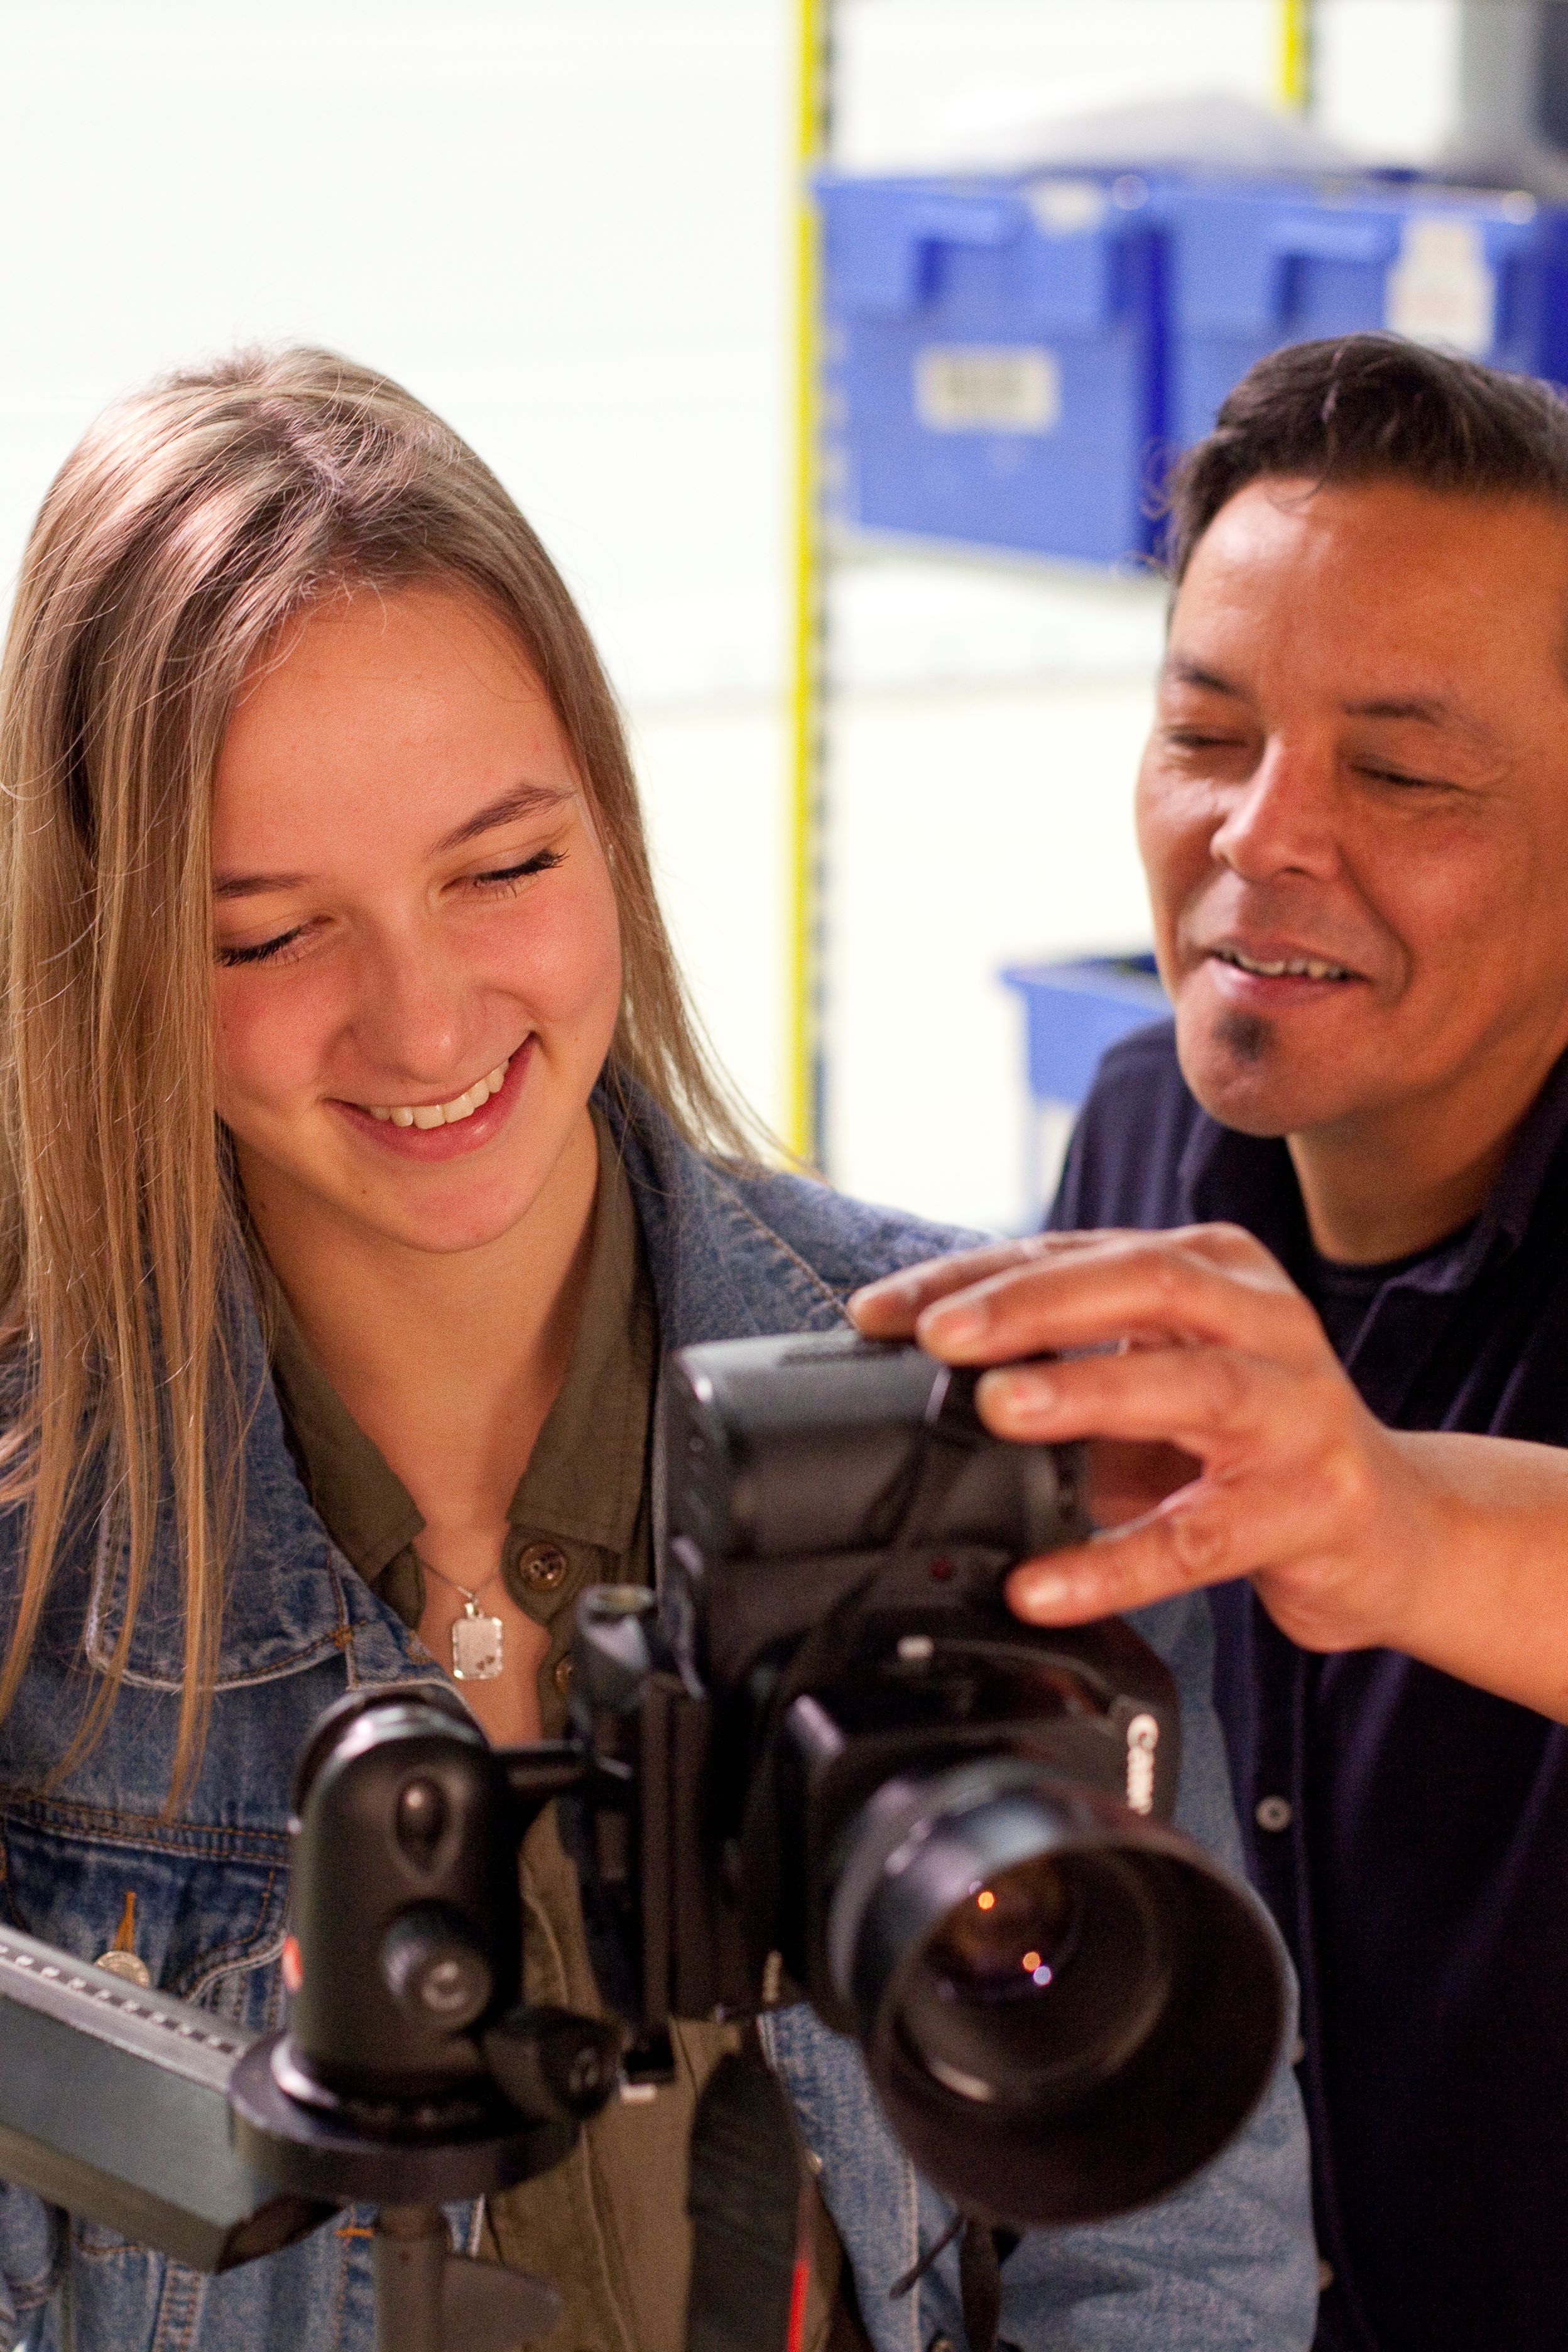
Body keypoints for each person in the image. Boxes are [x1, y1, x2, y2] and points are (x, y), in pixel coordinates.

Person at [0, 348, 1315, 2352]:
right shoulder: (34, 1554)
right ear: (102, 947)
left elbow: (1169, 2267)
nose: (429, 1026)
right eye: (271, 932)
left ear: (608, 822)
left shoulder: (984, 1420)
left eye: (505, 867)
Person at [852, 333, 1568, 2352]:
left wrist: (1400, 1519)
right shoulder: (1154, 1134)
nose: (1262, 835)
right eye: (1205, 732)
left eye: (1405, 771)